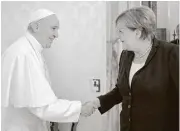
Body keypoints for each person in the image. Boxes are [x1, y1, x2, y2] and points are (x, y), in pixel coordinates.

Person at [83, 6, 179, 131]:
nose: (118, 37)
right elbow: (122, 91)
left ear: (138, 32)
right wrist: (96, 102)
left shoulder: (171, 54)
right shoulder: (126, 55)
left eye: (121, 31)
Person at [1, 9, 90, 131]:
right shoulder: (24, 54)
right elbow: (42, 107)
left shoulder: (30, 50)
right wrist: (80, 108)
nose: (56, 34)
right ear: (36, 27)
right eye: (53, 28)